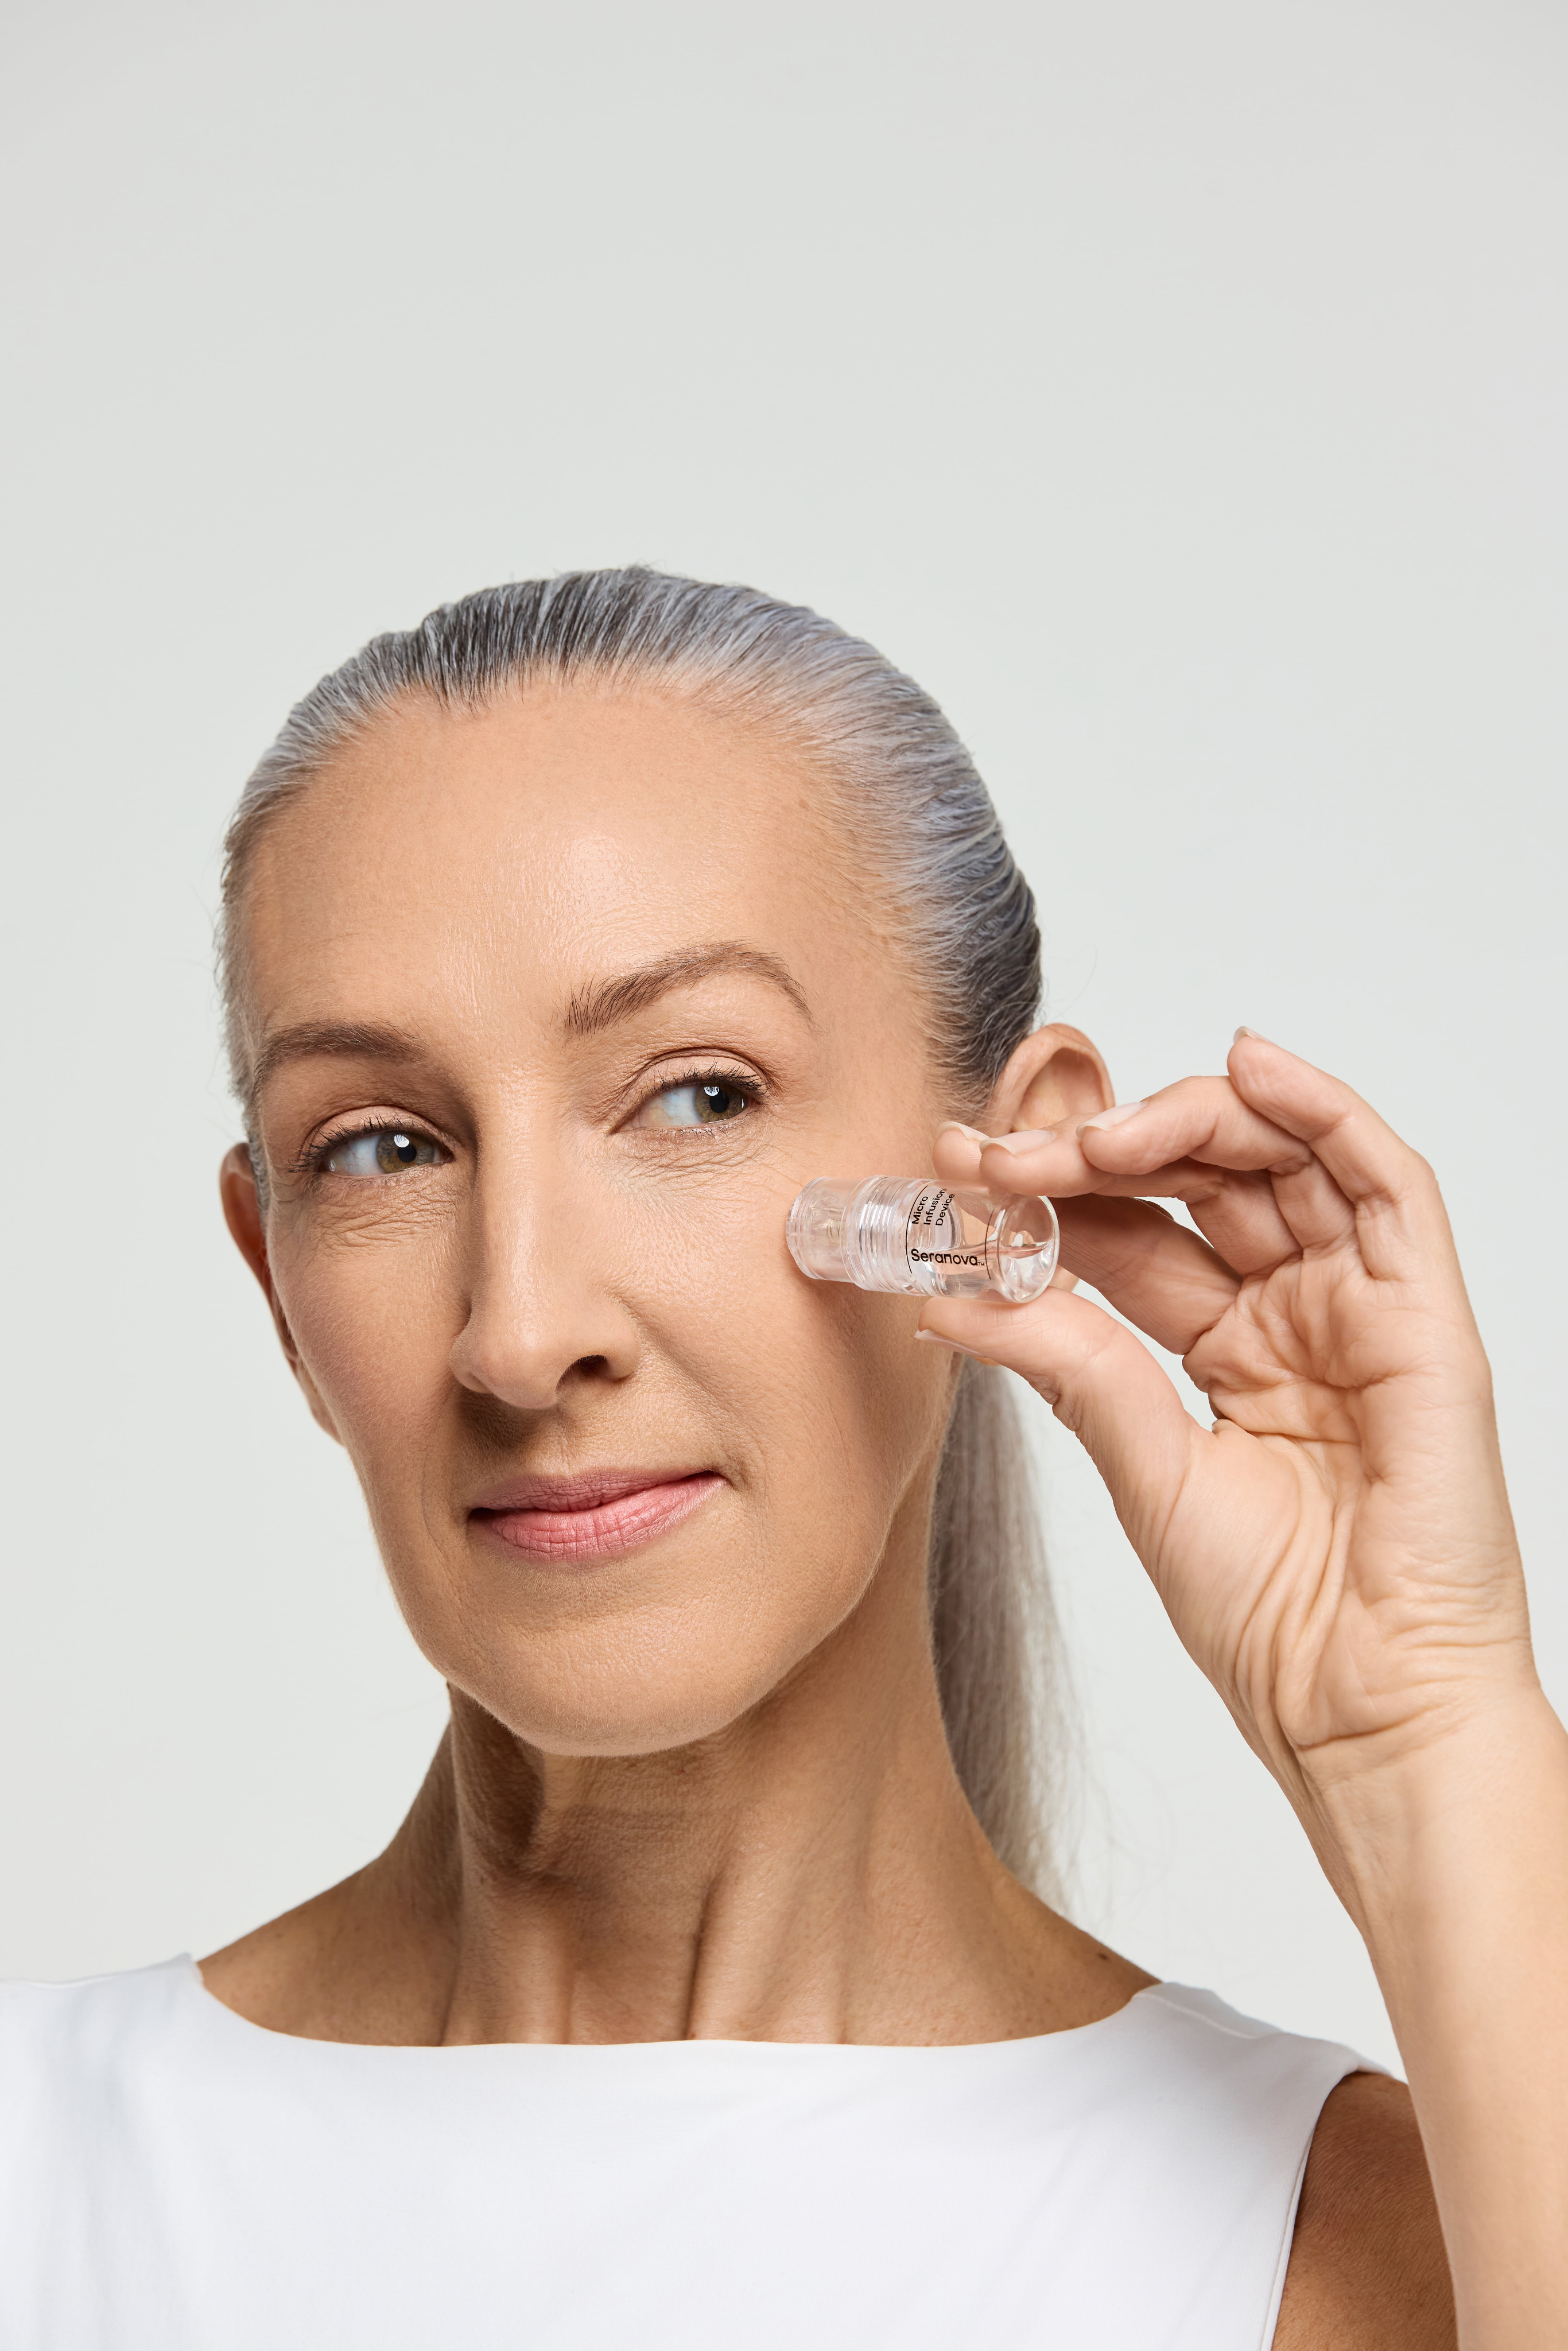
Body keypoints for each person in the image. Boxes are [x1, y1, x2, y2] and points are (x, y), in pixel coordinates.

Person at [3, 568, 1561, 2350]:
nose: (519, 1331)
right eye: (380, 1150)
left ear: (990, 1193)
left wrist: (1424, 1735)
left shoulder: (1365, 2253)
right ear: (275, 1278)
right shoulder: (34, 2172)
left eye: (696, 1098)